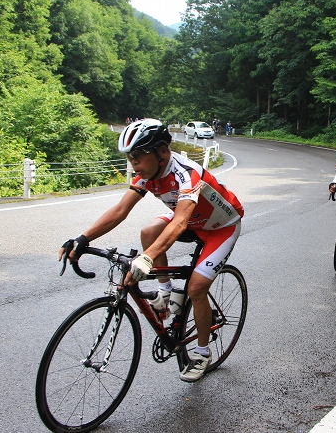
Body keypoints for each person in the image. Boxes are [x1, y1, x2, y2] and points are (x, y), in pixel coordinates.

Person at [59, 118, 244, 382]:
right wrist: (83, 238)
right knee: (148, 232)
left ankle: (202, 353)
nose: (133, 163)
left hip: (221, 227)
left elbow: (179, 222)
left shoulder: (185, 173)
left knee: (196, 288)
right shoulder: (148, 175)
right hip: (193, 219)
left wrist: (147, 258)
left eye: (137, 156)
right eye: (129, 157)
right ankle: (166, 291)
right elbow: (120, 211)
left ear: (162, 152)